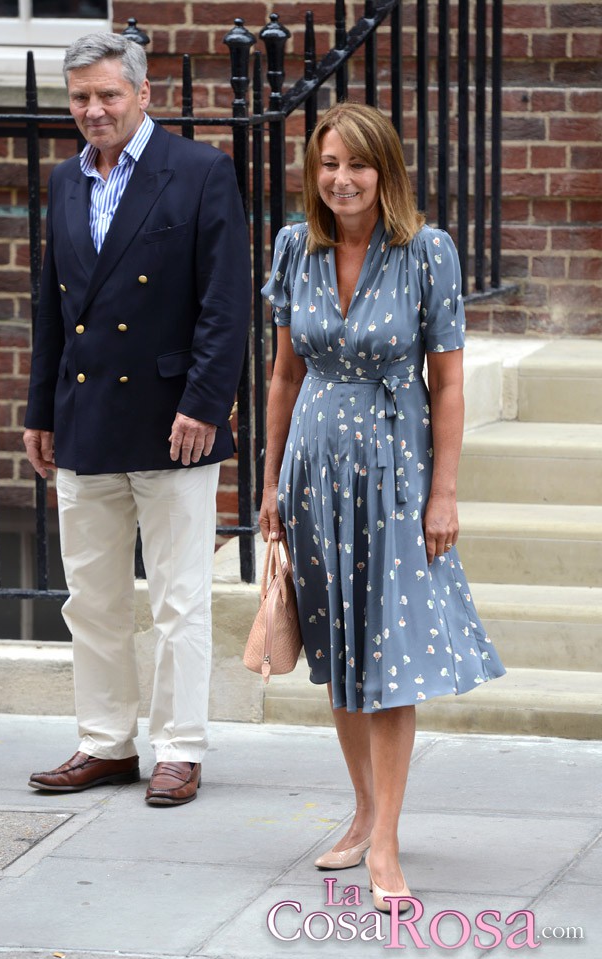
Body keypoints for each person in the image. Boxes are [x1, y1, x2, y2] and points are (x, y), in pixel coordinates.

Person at [259, 102, 505, 909]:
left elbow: (450, 380)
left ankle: (389, 838)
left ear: (385, 170)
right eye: (328, 164)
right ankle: (363, 809)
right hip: (313, 473)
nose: (342, 179)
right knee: (339, 651)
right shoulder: (298, 244)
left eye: (357, 165)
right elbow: (286, 376)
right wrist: (267, 486)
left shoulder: (426, 252)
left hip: (396, 474)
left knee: (390, 658)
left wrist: (444, 491)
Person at [23, 33, 251, 806]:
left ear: (143, 94)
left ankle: (180, 747)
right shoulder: (63, 181)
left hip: (172, 420)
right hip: (83, 416)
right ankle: (104, 741)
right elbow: (51, 305)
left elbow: (226, 304)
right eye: (80, 97)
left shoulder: (199, 172)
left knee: (178, 594)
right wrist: (38, 409)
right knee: (91, 595)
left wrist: (205, 403)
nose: (93, 110)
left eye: (108, 95)